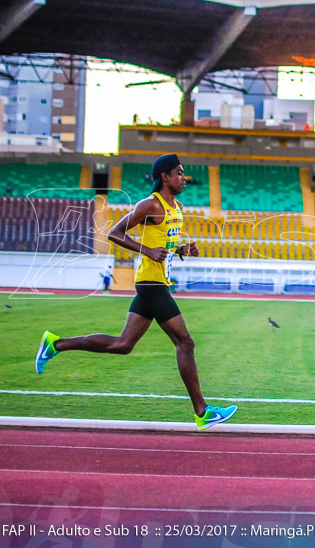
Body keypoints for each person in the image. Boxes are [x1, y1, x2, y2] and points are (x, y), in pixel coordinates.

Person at [34, 153, 237, 431]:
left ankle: (55, 344)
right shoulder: (150, 204)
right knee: (185, 343)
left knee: (123, 345)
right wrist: (146, 250)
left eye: (183, 172)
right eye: (178, 173)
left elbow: (162, 245)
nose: (183, 178)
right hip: (151, 284)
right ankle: (202, 412)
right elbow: (114, 232)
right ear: (164, 177)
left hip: (156, 283)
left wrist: (181, 250)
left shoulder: (177, 207)